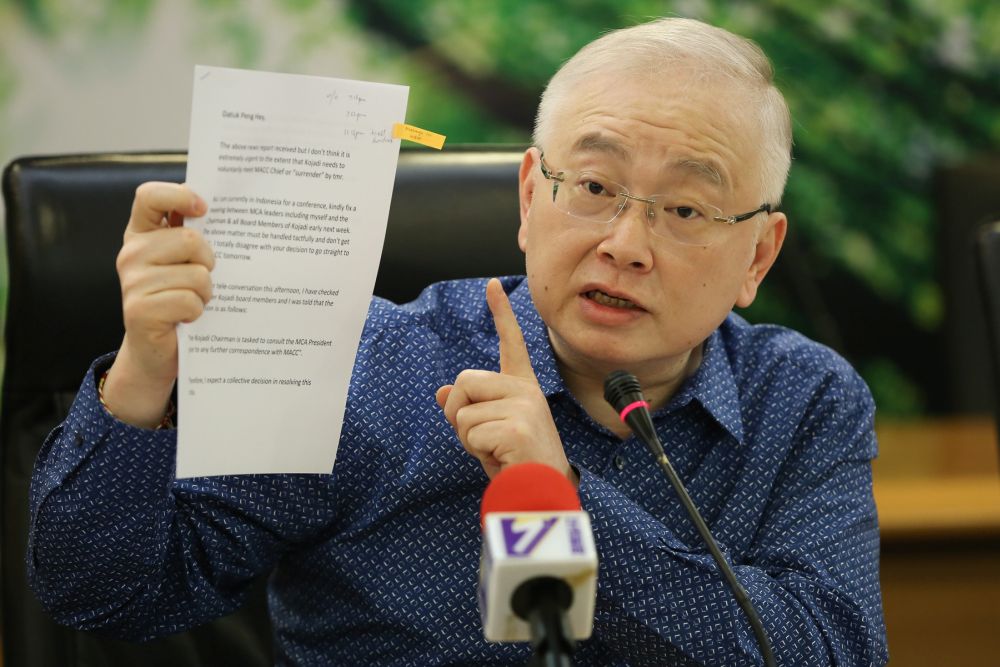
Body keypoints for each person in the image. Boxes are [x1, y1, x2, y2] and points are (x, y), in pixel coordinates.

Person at [27, 17, 888, 666]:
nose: (626, 241)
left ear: (759, 256)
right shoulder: (371, 367)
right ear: (528, 196)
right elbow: (103, 592)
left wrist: (562, 496)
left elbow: (831, 650)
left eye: (687, 209)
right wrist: (143, 370)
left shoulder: (805, 398)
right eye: (592, 184)